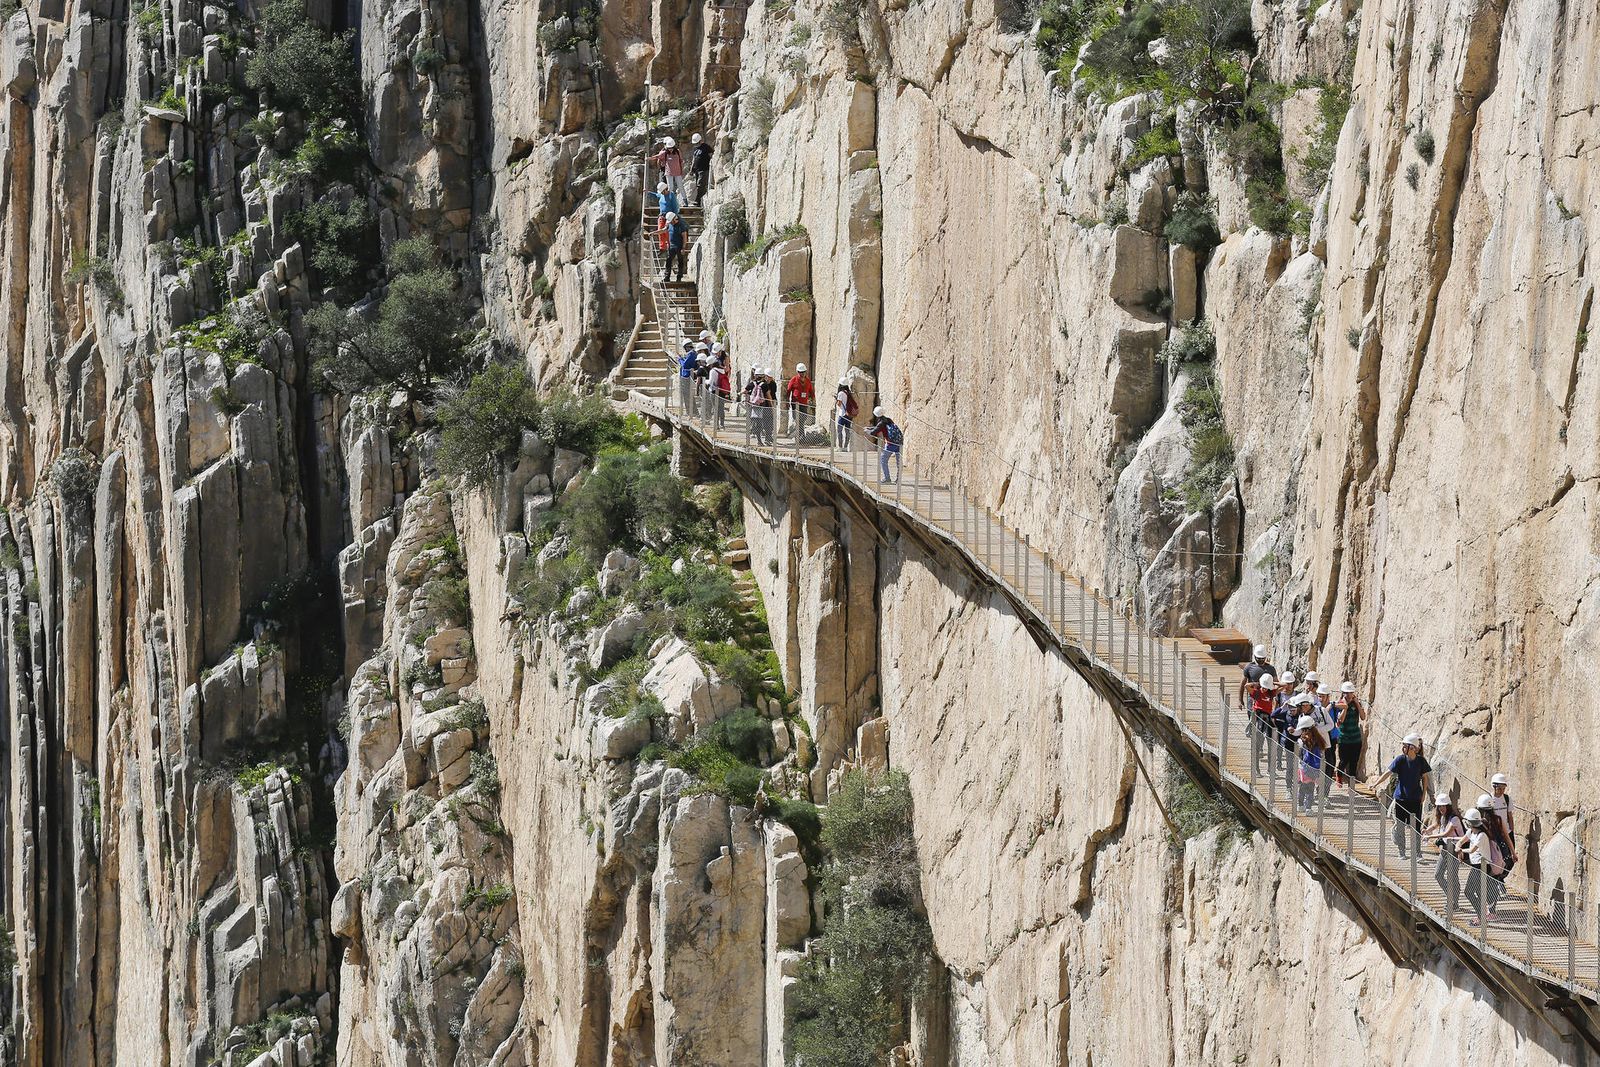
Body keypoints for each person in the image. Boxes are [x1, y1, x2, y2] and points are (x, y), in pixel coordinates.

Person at [1367, 732, 1433, 859]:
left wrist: (1424, 794)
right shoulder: (1400, 760)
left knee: (1415, 828)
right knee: (1401, 827)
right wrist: (1375, 784)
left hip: (1415, 799)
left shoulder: (1421, 761)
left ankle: (1417, 853)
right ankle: (1402, 852)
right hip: (1401, 799)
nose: (1403, 748)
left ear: (1412, 748)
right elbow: (1388, 772)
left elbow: (1425, 778)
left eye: (1405, 746)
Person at [1460, 807, 1504, 923]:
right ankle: (1482, 915)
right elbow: (1462, 840)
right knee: (1477, 891)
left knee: (1469, 891)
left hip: (1482, 866)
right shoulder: (1471, 832)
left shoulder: (1482, 835)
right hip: (1476, 865)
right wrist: (1457, 845)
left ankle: (1481, 916)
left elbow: (1472, 850)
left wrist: (1460, 850)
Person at [1425, 794, 1465, 912]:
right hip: (1446, 848)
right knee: (1438, 874)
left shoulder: (1454, 819)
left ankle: (1454, 902)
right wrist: (1427, 830)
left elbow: (1446, 834)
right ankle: (1451, 896)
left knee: (1452, 876)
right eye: (1439, 806)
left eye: (1443, 806)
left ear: (1448, 806)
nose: (1441, 808)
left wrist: (1430, 836)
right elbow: (1436, 824)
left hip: (1455, 849)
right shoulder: (1443, 817)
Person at [1331, 681, 1365, 784]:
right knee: (1344, 760)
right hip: (1344, 738)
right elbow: (1340, 721)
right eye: (1347, 692)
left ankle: (1352, 783)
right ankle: (1339, 775)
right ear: (1343, 693)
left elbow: (1363, 717)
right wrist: (1345, 708)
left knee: (1354, 761)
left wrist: (1357, 704)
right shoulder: (1339, 704)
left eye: (1351, 692)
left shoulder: (1356, 704)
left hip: (1355, 738)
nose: (1349, 695)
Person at [1477, 793, 1518, 875]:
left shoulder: (1479, 822)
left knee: (1486, 882)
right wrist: (1513, 853)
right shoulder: (1498, 820)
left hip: (1485, 856)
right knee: (1496, 879)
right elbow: (1506, 837)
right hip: (1498, 854)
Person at [1294, 715, 1325, 814]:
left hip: (1303, 768)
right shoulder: (1316, 740)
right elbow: (1319, 755)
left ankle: (1300, 806)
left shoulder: (1302, 741)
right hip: (1312, 769)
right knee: (1310, 790)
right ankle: (1308, 808)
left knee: (1302, 788)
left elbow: (1300, 755)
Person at [1247, 673, 1277, 773]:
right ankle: (1256, 768)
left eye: (1266, 688)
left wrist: (1272, 684)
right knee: (1257, 742)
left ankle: (1270, 770)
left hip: (1268, 718)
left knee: (1270, 743)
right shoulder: (1257, 693)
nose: (1264, 689)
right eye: (1263, 687)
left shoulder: (1270, 693)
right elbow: (1246, 686)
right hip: (1258, 716)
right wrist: (1257, 684)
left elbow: (1284, 686)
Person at [867, 406, 902, 483]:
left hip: (890, 444)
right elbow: (878, 428)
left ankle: (887, 478)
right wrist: (870, 428)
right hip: (899, 443)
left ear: (876, 415)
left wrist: (867, 431)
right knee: (898, 462)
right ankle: (898, 479)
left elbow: (873, 432)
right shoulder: (888, 420)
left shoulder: (881, 423)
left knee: (883, 460)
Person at [786, 362, 815, 441]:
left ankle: (800, 435)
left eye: (803, 372)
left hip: (804, 403)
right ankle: (801, 436)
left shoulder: (807, 381)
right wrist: (787, 402)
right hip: (796, 403)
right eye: (800, 372)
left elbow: (811, 391)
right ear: (797, 372)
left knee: (803, 418)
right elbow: (788, 391)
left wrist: (813, 398)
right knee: (797, 419)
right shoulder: (793, 380)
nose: (802, 374)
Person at [652, 136, 686, 202]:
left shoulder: (676, 152)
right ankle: (665, 200)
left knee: (671, 186)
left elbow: (680, 161)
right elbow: (658, 160)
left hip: (672, 171)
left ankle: (669, 200)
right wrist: (661, 169)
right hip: (665, 171)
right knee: (665, 186)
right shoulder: (664, 151)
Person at [1490, 773, 1517, 849]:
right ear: (1493, 787)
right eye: (1499, 789)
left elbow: (1510, 816)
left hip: (1507, 833)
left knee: (1509, 857)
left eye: (1503, 789)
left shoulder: (1507, 798)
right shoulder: (1489, 799)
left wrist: (1511, 831)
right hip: (1495, 834)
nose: (1502, 791)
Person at [660, 211, 688, 283]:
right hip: (671, 246)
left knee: (680, 261)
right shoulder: (670, 224)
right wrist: (654, 233)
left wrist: (683, 248)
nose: (670, 222)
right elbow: (664, 230)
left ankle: (679, 277)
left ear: (673, 219)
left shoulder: (681, 225)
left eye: (671, 221)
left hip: (679, 246)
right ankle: (667, 277)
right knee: (668, 260)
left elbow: (684, 237)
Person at [690, 132, 713, 207]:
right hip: (697, 170)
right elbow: (694, 159)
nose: (696, 144)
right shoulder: (696, 150)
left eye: (697, 142)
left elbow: (711, 155)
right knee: (698, 185)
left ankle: (698, 201)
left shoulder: (706, 147)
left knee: (701, 185)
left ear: (700, 141)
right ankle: (700, 201)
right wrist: (691, 169)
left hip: (704, 169)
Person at [708, 351, 730, 429]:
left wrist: (705, 381)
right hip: (722, 392)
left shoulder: (713, 371)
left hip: (714, 391)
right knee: (721, 408)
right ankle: (722, 424)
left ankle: (716, 425)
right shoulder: (722, 370)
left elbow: (711, 382)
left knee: (715, 408)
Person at [835, 379, 858, 449]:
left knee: (839, 430)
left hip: (842, 414)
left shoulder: (841, 393)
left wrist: (836, 399)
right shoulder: (848, 393)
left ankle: (840, 447)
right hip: (849, 415)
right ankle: (845, 447)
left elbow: (839, 404)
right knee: (847, 431)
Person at [676, 339, 697, 413]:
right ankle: (692, 411)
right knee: (688, 395)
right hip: (686, 377)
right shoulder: (692, 353)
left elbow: (685, 365)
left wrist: (680, 359)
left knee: (687, 396)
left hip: (687, 377)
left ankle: (691, 412)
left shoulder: (692, 354)